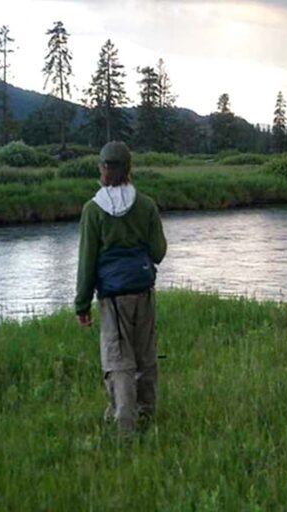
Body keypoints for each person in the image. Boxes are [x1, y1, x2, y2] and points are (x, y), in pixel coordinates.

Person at [75, 141, 167, 434]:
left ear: (103, 168)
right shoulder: (146, 205)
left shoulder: (93, 209)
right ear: (129, 168)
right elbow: (158, 253)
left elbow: (87, 260)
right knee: (145, 356)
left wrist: (81, 304)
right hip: (143, 290)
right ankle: (147, 416)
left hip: (112, 297)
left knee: (118, 360)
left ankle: (124, 427)